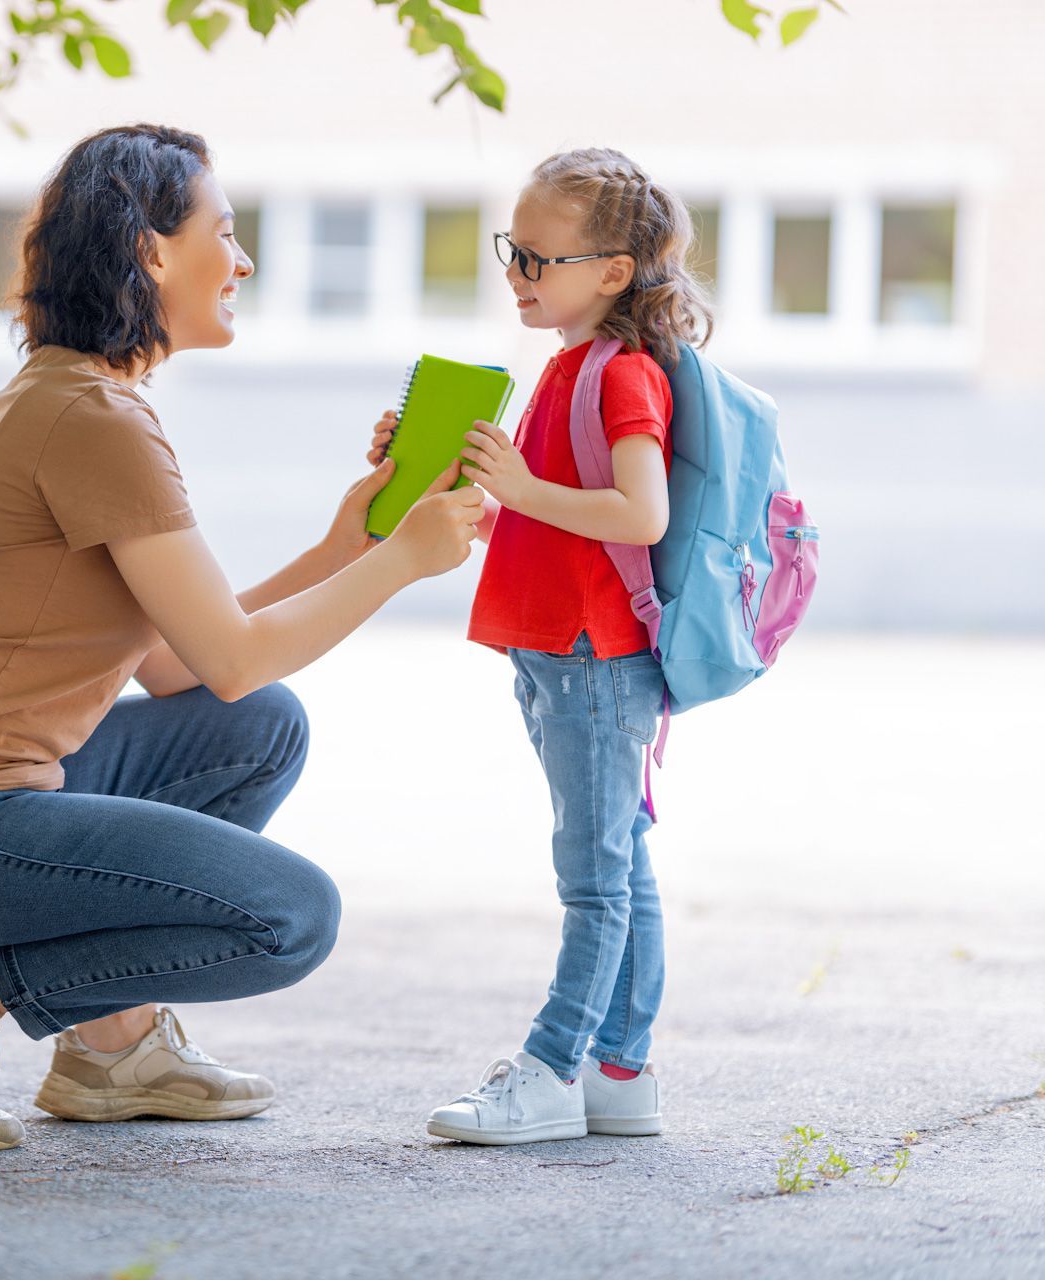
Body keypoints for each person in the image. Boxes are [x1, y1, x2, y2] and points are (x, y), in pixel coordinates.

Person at [0, 124, 485, 1151]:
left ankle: (110, 1047)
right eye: (224, 232)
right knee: (290, 916)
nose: (244, 260)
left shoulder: (79, 397)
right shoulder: (96, 419)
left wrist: (345, 543)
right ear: (151, 252)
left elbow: (190, 666)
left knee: (256, 728)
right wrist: (400, 561)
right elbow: (229, 654)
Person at [378, 147, 712, 1144]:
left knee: (595, 875)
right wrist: (475, 493)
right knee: (621, 862)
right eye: (511, 252)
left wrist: (520, 489)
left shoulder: (622, 376)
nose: (518, 275)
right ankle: (619, 1068)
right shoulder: (569, 367)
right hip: (560, 652)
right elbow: (557, 515)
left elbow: (639, 513)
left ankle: (553, 1066)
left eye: (538, 258)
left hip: (594, 656)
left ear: (613, 270)